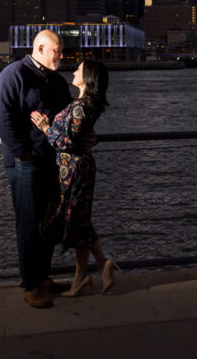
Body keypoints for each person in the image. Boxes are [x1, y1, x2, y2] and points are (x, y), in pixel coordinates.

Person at [0, 29, 73, 308]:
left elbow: (67, 116)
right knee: (29, 224)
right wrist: (21, 153)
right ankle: (31, 285)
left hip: (52, 160)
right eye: (56, 51)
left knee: (49, 222)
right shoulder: (14, 74)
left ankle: (43, 278)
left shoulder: (57, 81)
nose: (61, 55)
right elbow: (0, 117)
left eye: (61, 50)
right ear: (39, 49)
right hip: (26, 162)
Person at [30, 59, 119, 296]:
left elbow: (66, 141)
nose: (74, 71)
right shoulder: (86, 103)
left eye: (78, 69)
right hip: (75, 168)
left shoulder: (81, 106)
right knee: (80, 218)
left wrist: (45, 128)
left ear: (87, 76)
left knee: (75, 220)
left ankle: (85, 275)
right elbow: (81, 134)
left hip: (74, 170)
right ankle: (100, 265)